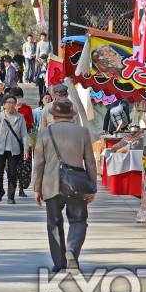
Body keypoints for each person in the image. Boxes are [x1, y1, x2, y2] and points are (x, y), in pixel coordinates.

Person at [33, 97, 96, 274]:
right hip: (76, 185)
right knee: (78, 220)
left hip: (51, 185)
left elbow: (38, 163)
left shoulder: (45, 133)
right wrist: (93, 186)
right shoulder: (82, 132)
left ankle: (59, 262)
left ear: (54, 116)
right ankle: (72, 251)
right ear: (72, 115)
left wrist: (36, 188)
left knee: (54, 223)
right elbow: (90, 163)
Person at [0, 95, 29, 203]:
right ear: (4, 105)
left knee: (12, 172)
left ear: (15, 104)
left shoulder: (20, 117)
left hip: (14, 149)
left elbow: (24, 135)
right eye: (8, 102)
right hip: (0, 148)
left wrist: (26, 150)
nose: (10, 104)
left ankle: (11, 196)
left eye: (13, 102)